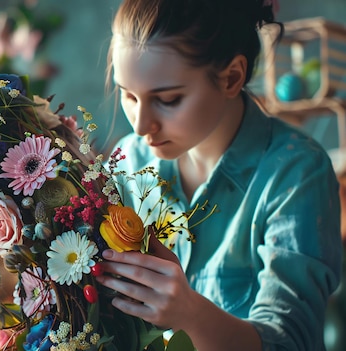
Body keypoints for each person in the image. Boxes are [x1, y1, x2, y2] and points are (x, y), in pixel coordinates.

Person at [94, 0, 343, 350]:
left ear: (232, 78)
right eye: (129, 95)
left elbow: (292, 341)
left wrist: (191, 315)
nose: (140, 125)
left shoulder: (296, 174)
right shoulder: (129, 162)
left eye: (167, 99)